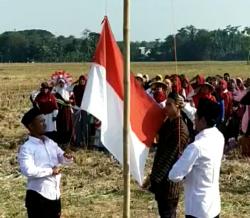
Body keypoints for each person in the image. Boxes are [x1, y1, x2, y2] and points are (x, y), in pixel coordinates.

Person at [169, 98, 224, 218]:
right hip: (213, 205)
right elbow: (194, 114)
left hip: (197, 209)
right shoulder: (219, 136)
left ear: (203, 120)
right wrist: (185, 106)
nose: (194, 119)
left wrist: (181, 160)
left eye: (197, 117)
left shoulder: (196, 147)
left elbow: (174, 175)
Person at [18, 107, 73, 218]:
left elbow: (63, 159)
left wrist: (67, 157)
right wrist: (50, 171)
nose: (44, 124)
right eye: (41, 121)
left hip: (55, 194)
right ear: (31, 126)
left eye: (44, 121)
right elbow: (28, 171)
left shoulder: (50, 142)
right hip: (38, 196)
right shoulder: (27, 148)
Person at [148, 92, 189, 218]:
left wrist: (153, 179)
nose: (166, 107)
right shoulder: (168, 123)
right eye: (166, 104)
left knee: (168, 214)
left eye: (169, 104)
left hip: (170, 184)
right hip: (162, 183)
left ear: (178, 106)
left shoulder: (180, 130)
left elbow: (170, 158)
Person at [54, 78, 74, 145]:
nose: (61, 84)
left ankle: (68, 140)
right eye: (60, 83)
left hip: (67, 110)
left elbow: (71, 100)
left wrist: (69, 102)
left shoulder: (67, 91)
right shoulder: (57, 92)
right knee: (60, 125)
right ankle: (61, 140)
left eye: (62, 83)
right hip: (60, 111)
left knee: (68, 124)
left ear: (64, 83)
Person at [73, 75, 89, 147]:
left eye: (83, 80)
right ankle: (78, 142)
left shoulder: (87, 88)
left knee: (84, 126)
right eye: (80, 80)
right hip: (77, 108)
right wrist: (74, 83)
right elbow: (68, 88)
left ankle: (85, 142)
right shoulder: (76, 87)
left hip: (85, 109)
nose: (82, 81)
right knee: (77, 126)